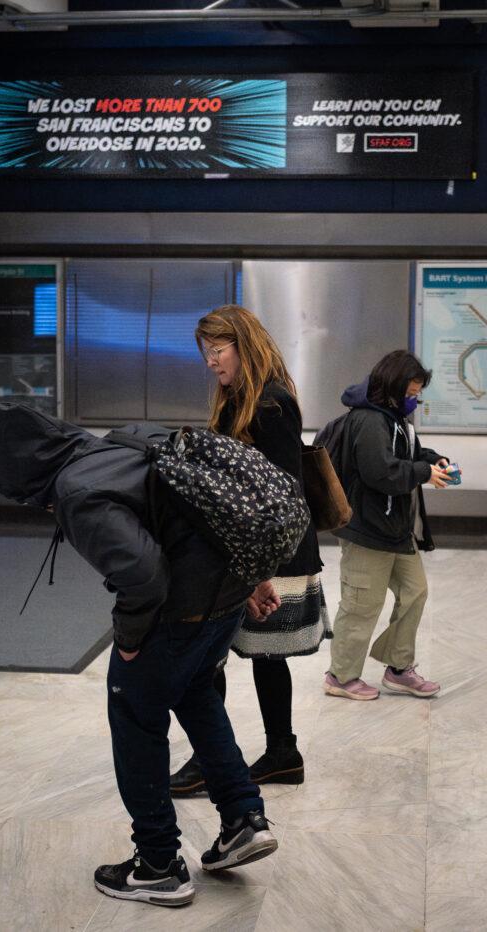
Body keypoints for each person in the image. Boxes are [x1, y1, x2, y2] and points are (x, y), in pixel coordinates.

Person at [0, 404, 281, 909]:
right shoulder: (125, 441)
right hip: (226, 594)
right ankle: (243, 820)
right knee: (198, 694)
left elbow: (143, 574)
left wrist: (131, 638)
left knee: (136, 718)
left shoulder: (77, 491)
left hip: (178, 611)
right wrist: (249, 577)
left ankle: (158, 865)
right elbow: (209, 509)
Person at [170, 304, 331, 796]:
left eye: (217, 351)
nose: (211, 363)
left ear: (243, 344)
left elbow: (281, 494)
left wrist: (257, 567)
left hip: (269, 552)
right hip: (249, 548)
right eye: (206, 354)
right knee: (242, 654)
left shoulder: (270, 404)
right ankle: (272, 752)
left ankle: (226, 756)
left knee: (231, 653)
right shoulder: (241, 397)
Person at [324, 350, 450, 701]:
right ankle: (341, 677)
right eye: (411, 394)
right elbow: (380, 472)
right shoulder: (368, 420)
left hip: (395, 528)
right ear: (392, 386)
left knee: (415, 592)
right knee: (361, 604)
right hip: (367, 528)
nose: (414, 400)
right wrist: (423, 473)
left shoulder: (395, 418)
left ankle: (398, 668)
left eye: (417, 394)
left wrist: (432, 460)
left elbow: (408, 455)